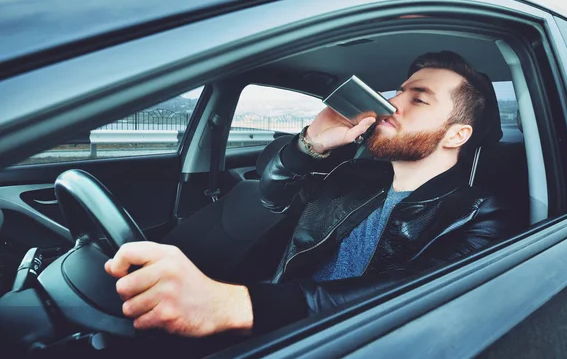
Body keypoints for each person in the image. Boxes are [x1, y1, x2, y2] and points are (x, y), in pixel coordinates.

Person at [104, 51, 517, 339]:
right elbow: (270, 197)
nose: (392, 104)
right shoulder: (351, 175)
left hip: (339, 345)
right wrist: (311, 144)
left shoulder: (480, 214)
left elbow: (410, 295)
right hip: (277, 327)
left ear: (457, 134)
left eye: (418, 99)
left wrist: (238, 306)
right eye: (398, 92)